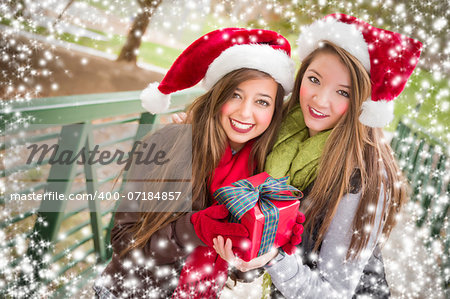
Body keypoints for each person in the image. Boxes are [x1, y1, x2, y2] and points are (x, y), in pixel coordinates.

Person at [213, 13, 422, 298]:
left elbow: (335, 292)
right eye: (314, 79)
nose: (320, 100)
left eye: (343, 93)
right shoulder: (285, 136)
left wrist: (273, 259)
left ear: (363, 102)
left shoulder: (362, 176)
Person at [93, 28, 301, 299]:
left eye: (262, 101)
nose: (245, 112)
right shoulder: (170, 144)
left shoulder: (262, 171)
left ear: (274, 112)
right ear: (217, 94)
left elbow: (236, 270)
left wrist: (260, 250)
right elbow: (124, 242)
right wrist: (194, 229)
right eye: (235, 95)